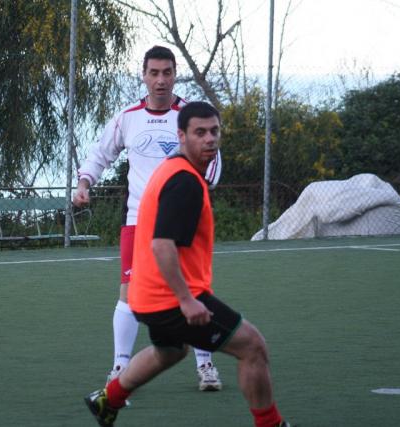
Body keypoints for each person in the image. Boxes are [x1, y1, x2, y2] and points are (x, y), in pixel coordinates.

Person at [84, 102, 292, 427]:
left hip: (147, 296)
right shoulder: (185, 182)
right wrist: (186, 300)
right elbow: (162, 245)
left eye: (214, 131)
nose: (209, 139)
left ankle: (107, 400)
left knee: (170, 351)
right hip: (169, 299)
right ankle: (271, 424)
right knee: (253, 347)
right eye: (200, 132)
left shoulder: (173, 169)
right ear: (181, 136)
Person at [73, 45, 223, 391]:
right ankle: (119, 368)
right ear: (143, 76)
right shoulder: (128, 117)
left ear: (175, 75)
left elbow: (213, 160)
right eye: (153, 73)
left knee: (194, 290)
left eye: (167, 72)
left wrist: (197, 187)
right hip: (138, 219)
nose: (160, 80)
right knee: (128, 292)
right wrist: (83, 184)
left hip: (183, 219)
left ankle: (205, 365)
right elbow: (100, 154)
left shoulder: (189, 115)